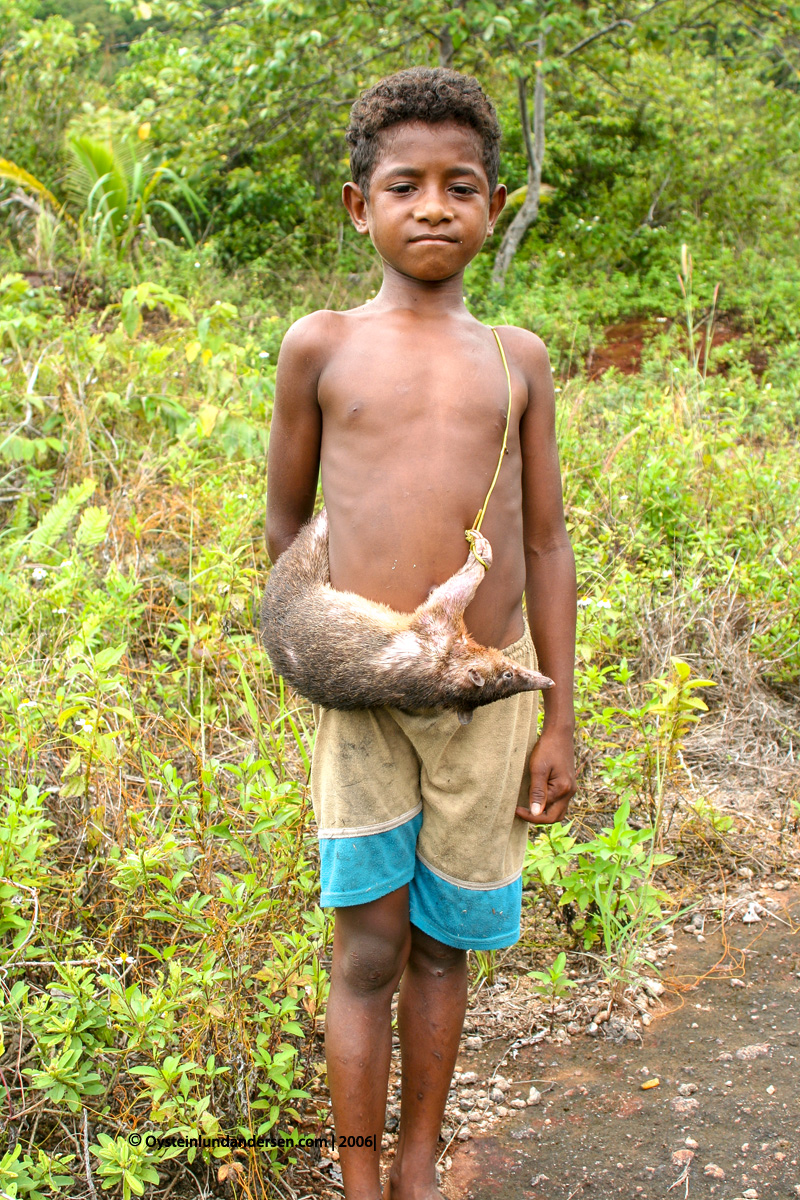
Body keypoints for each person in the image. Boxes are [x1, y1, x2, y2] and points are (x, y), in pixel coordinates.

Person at [265, 66, 577, 1200]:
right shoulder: (320, 346)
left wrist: (558, 715)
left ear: (494, 204)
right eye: (406, 186)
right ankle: (357, 1181)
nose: (434, 206)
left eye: (461, 186)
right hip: (361, 703)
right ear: (361, 206)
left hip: (485, 703)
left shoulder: (517, 359)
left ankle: (413, 1161)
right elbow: (286, 523)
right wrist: (317, 650)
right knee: (366, 952)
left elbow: (544, 545)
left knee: (443, 949)